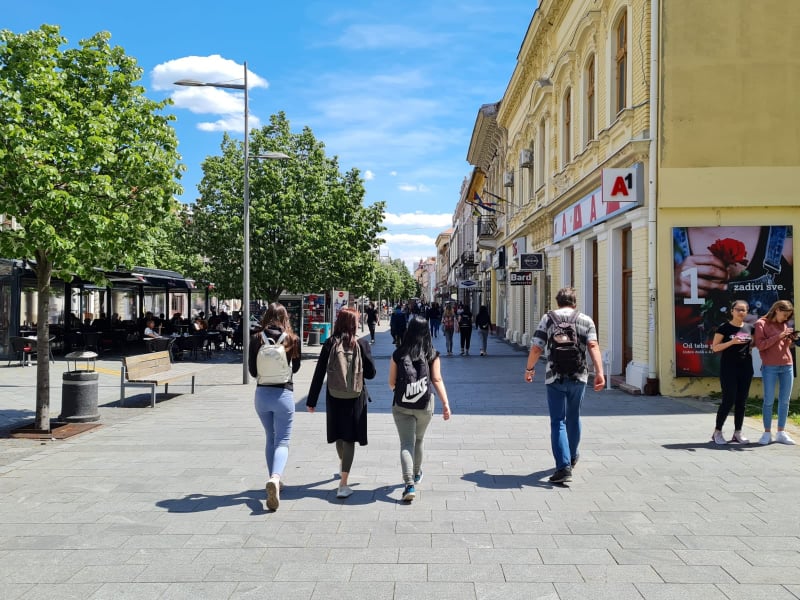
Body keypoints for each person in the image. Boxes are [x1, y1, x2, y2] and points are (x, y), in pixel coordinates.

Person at [524, 287, 605, 483]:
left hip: (555, 377)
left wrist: (529, 369)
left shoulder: (548, 318)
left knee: (558, 421)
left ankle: (563, 467)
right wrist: (600, 373)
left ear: (557, 302)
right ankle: (573, 455)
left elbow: (536, 347)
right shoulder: (586, 320)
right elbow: (593, 346)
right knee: (574, 416)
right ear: (574, 302)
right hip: (579, 376)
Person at [307, 308, 377, 498]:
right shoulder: (361, 344)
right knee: (350, 438)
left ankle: (342, 464)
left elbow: (319, 373)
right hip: (355, 397)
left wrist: (311, 400)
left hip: (334, 395)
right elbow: (371, 373)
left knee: (339, 434)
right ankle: (343, 484)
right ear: (354, 323)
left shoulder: (330, 343)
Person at [389, 315, 451, 502]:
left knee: (406, 444)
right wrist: (445, 404)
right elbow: (437, 379)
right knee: (419, 439)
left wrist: (405, 391)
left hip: (402, 405)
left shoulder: (398, 353)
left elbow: (391, 383)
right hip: (425, 404)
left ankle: (409, 484)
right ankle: (416, 474)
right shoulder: (432, 354)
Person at [247, 302, 302, 511]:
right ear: (285, 316)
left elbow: (252, 370)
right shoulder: (292, 338)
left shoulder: (255, 338)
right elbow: (295, 368)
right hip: (284, 394)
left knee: (270, 437)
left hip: (262, 394)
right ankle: (276, 478)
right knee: (283, 440)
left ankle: (274, 481)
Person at [709, 299, 754, 445]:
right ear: (732, 311)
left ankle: (738, 433)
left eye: (744, 310)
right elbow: (715, 348)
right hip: (729, 368)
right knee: (729, 400)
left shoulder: (749, 327)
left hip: (745, 368)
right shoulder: (724, 328)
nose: (741, 312)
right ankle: (717, 432)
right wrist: (732, 342)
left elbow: (753, 345)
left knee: (742, 401)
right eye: (738, 309)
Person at [753, 299, 796, 445]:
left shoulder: (784, 324)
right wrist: (780, 336)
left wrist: (790, 339)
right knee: (769, 401)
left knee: (785, 401)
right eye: (784, 315)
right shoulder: (761, 323)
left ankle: (781, 432)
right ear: (777, 310)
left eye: (788, 316)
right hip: (770, 367)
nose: (786, 319)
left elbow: (783, 346)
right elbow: (761, 345)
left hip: (787, 365)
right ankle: (766, 433)